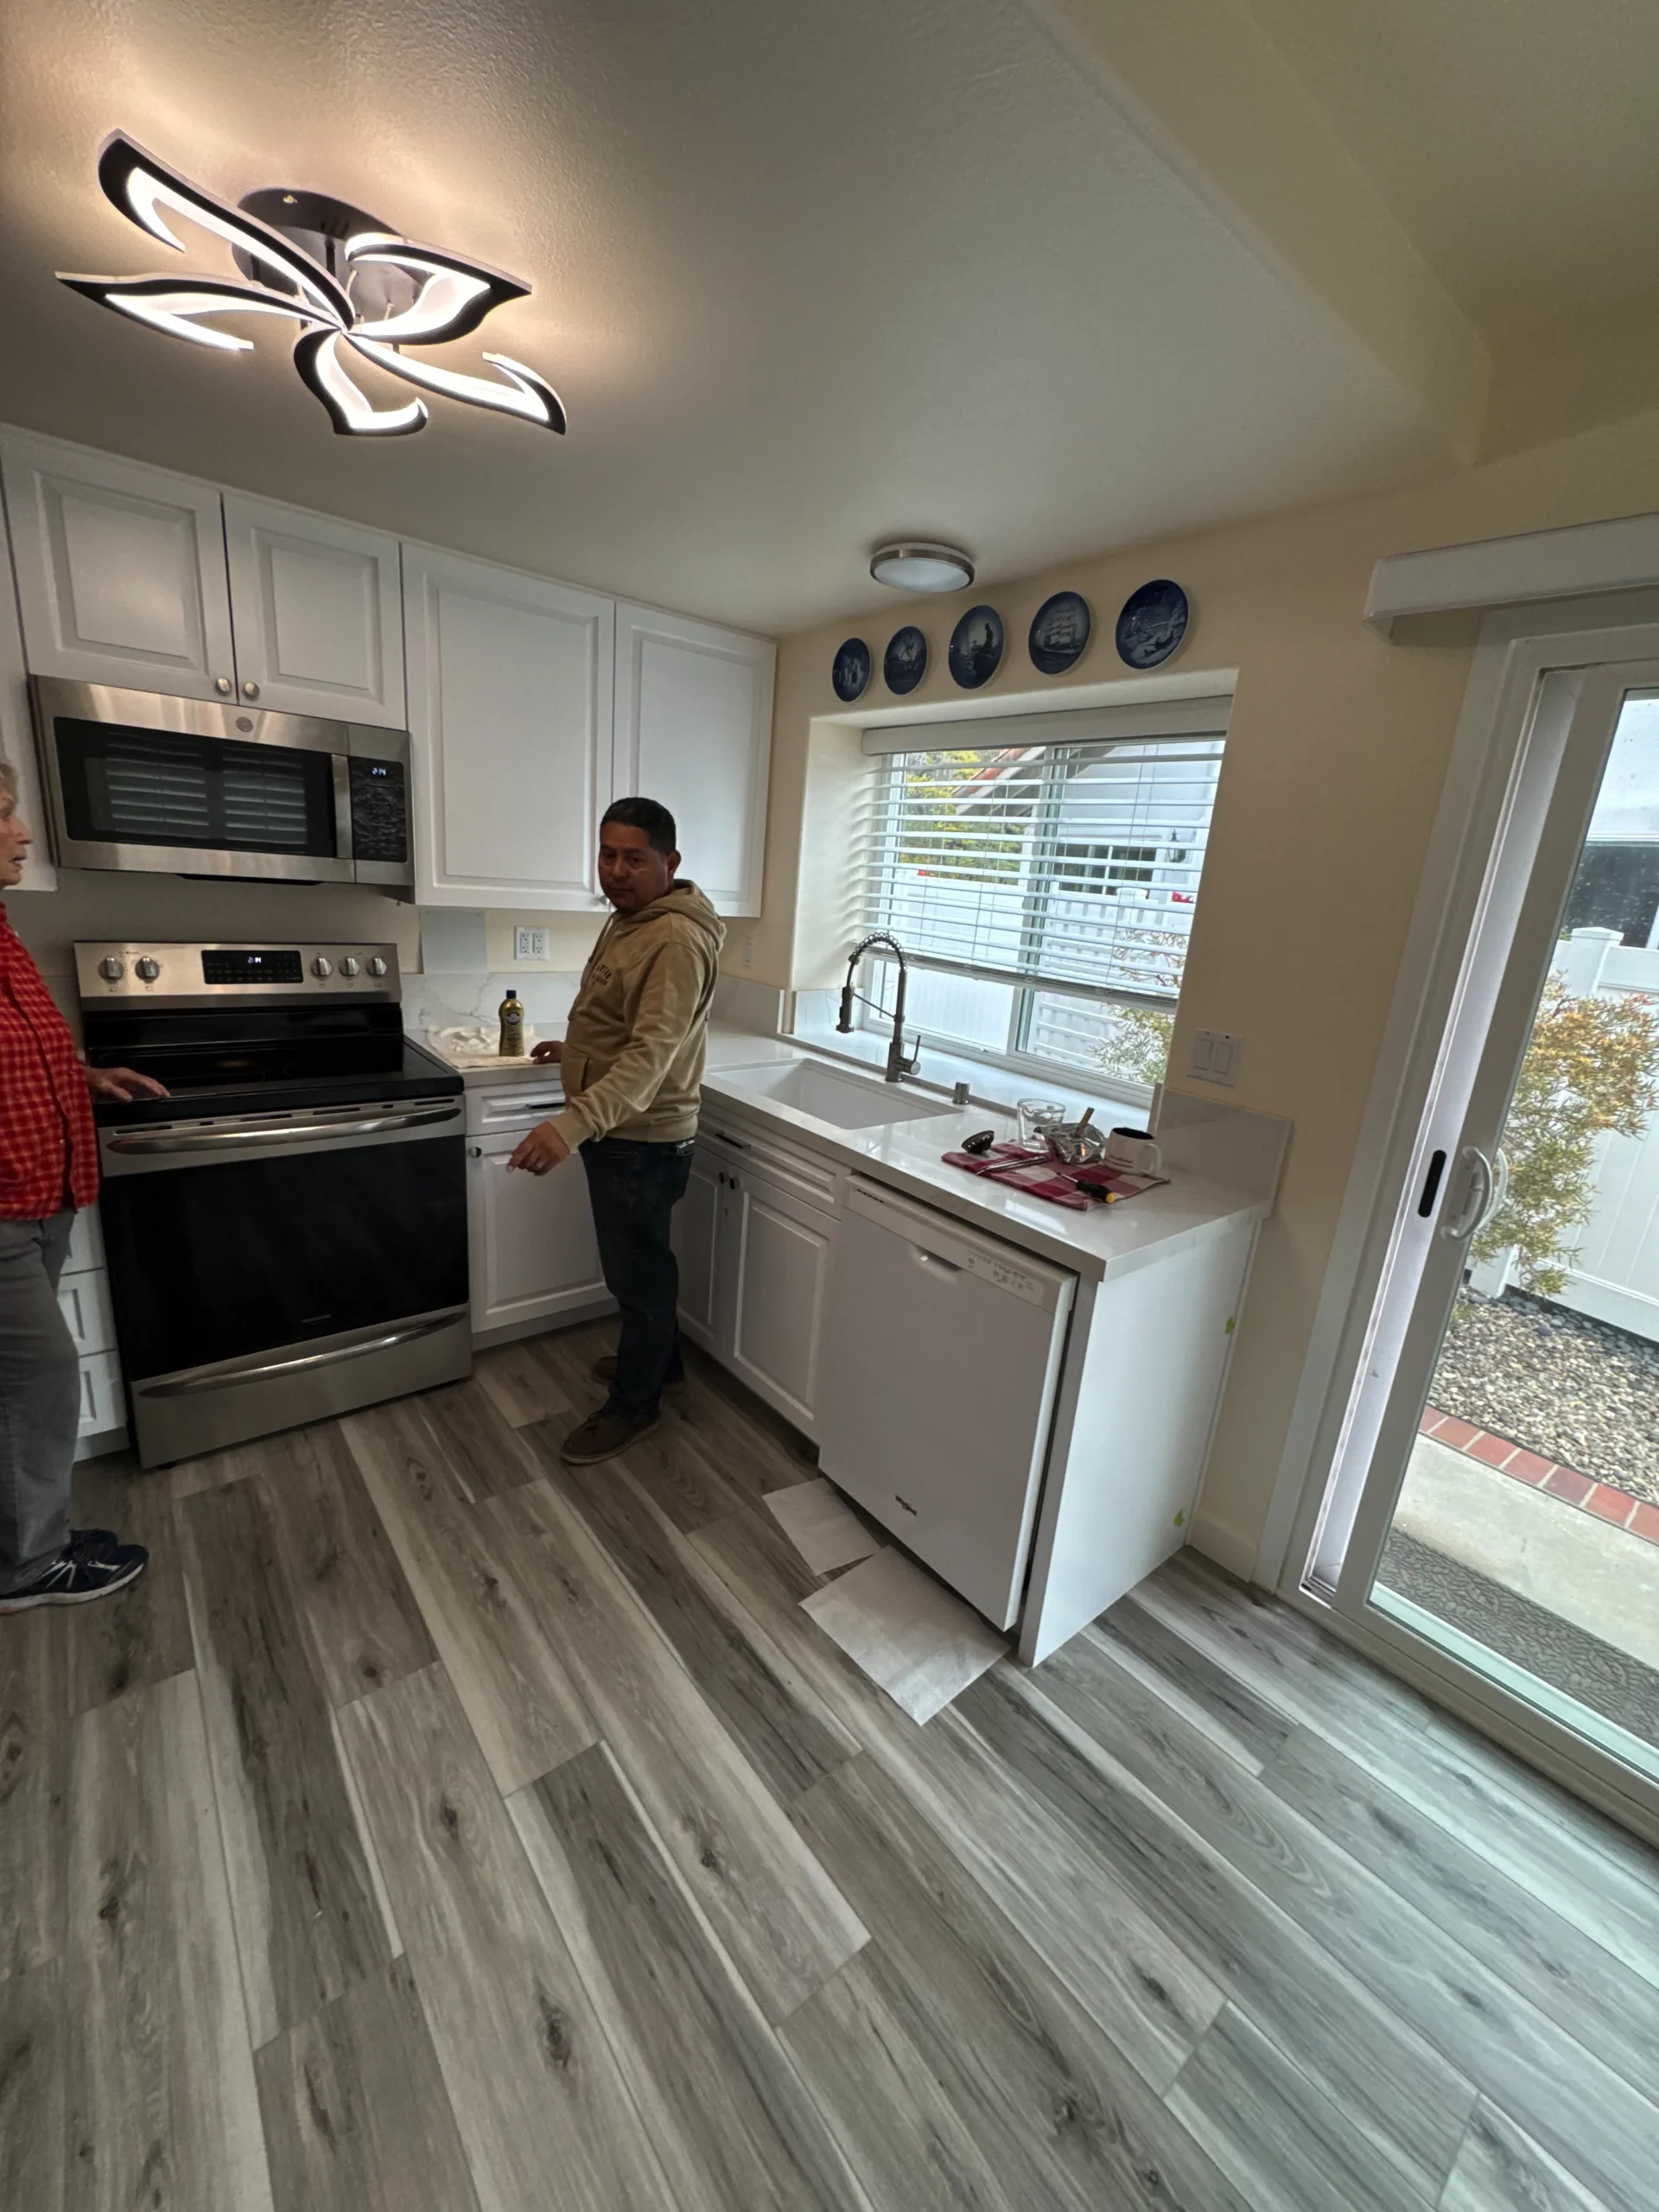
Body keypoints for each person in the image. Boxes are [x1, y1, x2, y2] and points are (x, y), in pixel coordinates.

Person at [509, 796, 724, 1464]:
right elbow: (621, 1019)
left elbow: (651, 1055)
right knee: (641, 1268)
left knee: (637, 1278)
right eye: (608, 855)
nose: (616, 871)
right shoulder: (634, 919)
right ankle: (663, 1368)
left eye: (634, 858)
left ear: (671, 862)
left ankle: (636, 1406)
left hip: (642, 1139)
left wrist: (569, 1125)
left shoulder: (673, 939)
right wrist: (572, 1050)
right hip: (624, 1132)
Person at [1, 760, 168, 1612]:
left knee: (18, 1383)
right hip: (5, 1203)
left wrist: (85, 1077)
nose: (23, 832)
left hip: (40, 1186)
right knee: (41, 1379)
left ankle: (33, 1537)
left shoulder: (0, 928)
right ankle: (27, 1567)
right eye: (3, 816)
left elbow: (20, 1056)